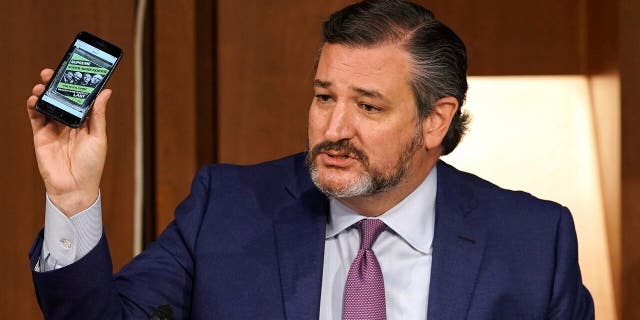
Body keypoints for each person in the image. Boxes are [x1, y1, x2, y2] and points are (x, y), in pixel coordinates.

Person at [26, 0, 594, 319]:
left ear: (435, 120)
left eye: (368, 106)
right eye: (325, 97)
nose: (334, 128)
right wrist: (72, 197)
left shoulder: (533, 242)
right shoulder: (225, 208)